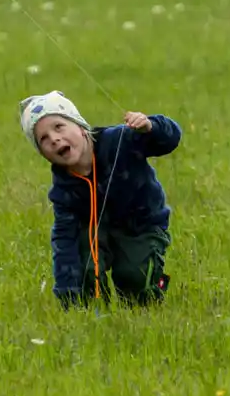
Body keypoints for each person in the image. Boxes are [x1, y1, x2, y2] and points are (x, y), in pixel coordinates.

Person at [19, 90, 182, 307]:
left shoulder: (120, 140)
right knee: (82, 261)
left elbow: (170, 139)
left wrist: (150, 126)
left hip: (141, 227)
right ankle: (94, 309)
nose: (55, 139)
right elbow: (64, 238)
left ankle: (153, 289)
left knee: (136, 281)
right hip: (98, 232)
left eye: (59, 127)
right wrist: (66, 291)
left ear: (80, 126)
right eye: (43, 139)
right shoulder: (63, 187)